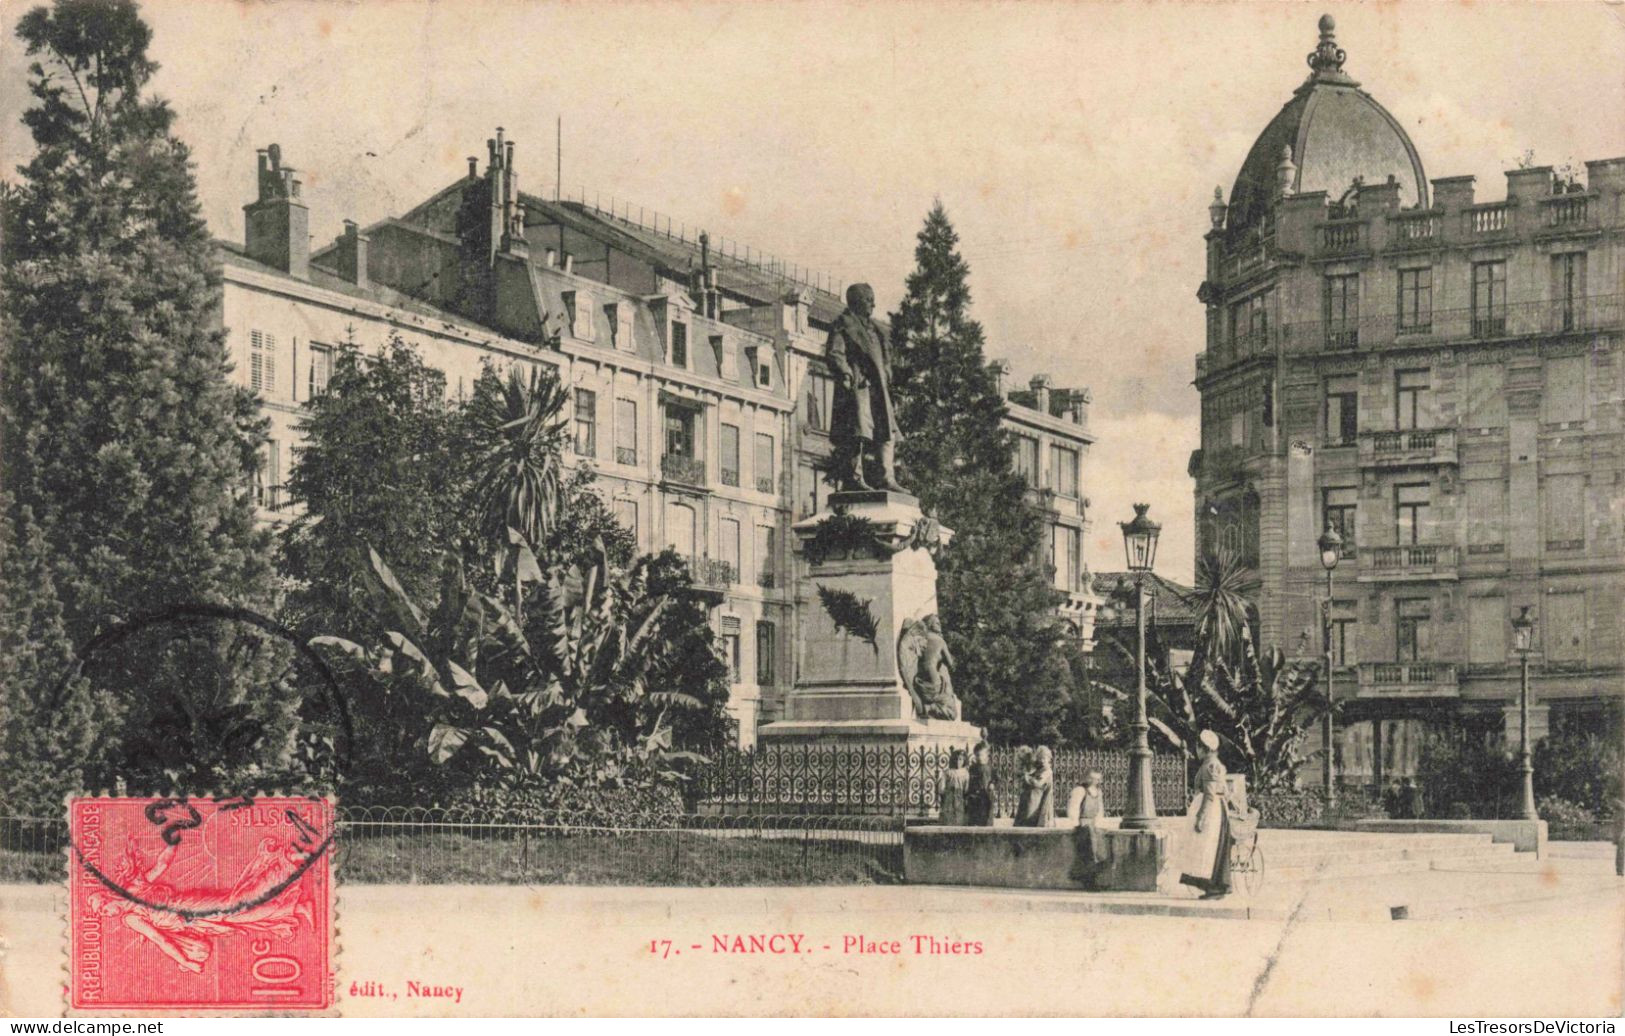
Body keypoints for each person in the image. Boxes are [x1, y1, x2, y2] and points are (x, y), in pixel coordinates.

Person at [825, 282, 903, 492]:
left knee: (888, 432)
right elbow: (834, 353)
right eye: (868, 299)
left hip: (879, 388)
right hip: (858, 386)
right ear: (856, 301)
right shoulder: (843, 324)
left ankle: (887, 477)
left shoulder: (877, 329)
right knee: (856, 432)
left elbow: (884, 358)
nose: (873, 304)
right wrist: (846, 373)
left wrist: (888, 373)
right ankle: (853, 476)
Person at [1177, 730, 1233, 900]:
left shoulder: (1209, 766)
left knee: (1208, 848)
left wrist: (1200, 817)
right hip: (1216, 808)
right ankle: (1214, 886)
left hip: (1211, 810)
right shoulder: (1214, 764)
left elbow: (1209, 794)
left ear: (1206, 749)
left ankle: (1214, 887)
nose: (1196, 751)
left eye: (1198, 748)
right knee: (1207, 848)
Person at [1015, 746, 1055, 828]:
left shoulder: (1047, 771)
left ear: (1049, 758)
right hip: (1031, 799)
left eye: (1044, 758)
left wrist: (1027, 777)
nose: (1042, 760)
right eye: (1040, 758)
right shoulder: (1038, 769)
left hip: (1037, 802)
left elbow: (1038, 783)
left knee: (1030, 823)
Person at [937, 748, 971, 825]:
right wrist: (944, 793)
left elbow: (966, 788)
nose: (958, 762)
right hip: (949, 797)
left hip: (960, 798)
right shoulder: (948, 772)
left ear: (964, 761)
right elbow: (941, 787)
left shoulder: (965, 773)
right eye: (956, 759)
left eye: (960, 759)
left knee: (959, 817)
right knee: (948, 816)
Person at [966, 742, 997, 826]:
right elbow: (969, 781)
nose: (979, 757)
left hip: (986, 796)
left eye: (981, 755)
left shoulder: (990, 768)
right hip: (975, 796)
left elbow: (996, 779)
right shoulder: (973, 768)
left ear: (987, 755)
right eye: (977, 755)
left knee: (986, 817)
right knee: (975, 818)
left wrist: (992, 784)